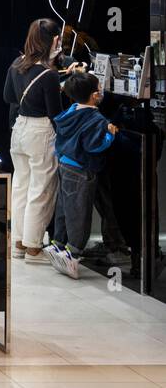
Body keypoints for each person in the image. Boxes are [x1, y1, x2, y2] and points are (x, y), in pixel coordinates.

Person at [46, 71, 123, 279]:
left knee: (64, 208)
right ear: (94, 95)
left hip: (64, 164)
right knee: (79, 212)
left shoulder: (70, 111)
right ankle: (74, 252)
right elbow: (94, 146)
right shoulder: (96, 119)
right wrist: (110, 135)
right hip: (81, 169)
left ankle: (58, 244)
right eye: (98, 88)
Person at [2, 18, 65, 262]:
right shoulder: (49, 74)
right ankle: (33, 247)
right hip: (41, 132)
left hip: (19, 129)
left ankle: (18, 243)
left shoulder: (16, 64)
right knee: (41, 189)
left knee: (20, 187)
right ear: (53, 40)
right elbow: (55, 113)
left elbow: (9, 96)